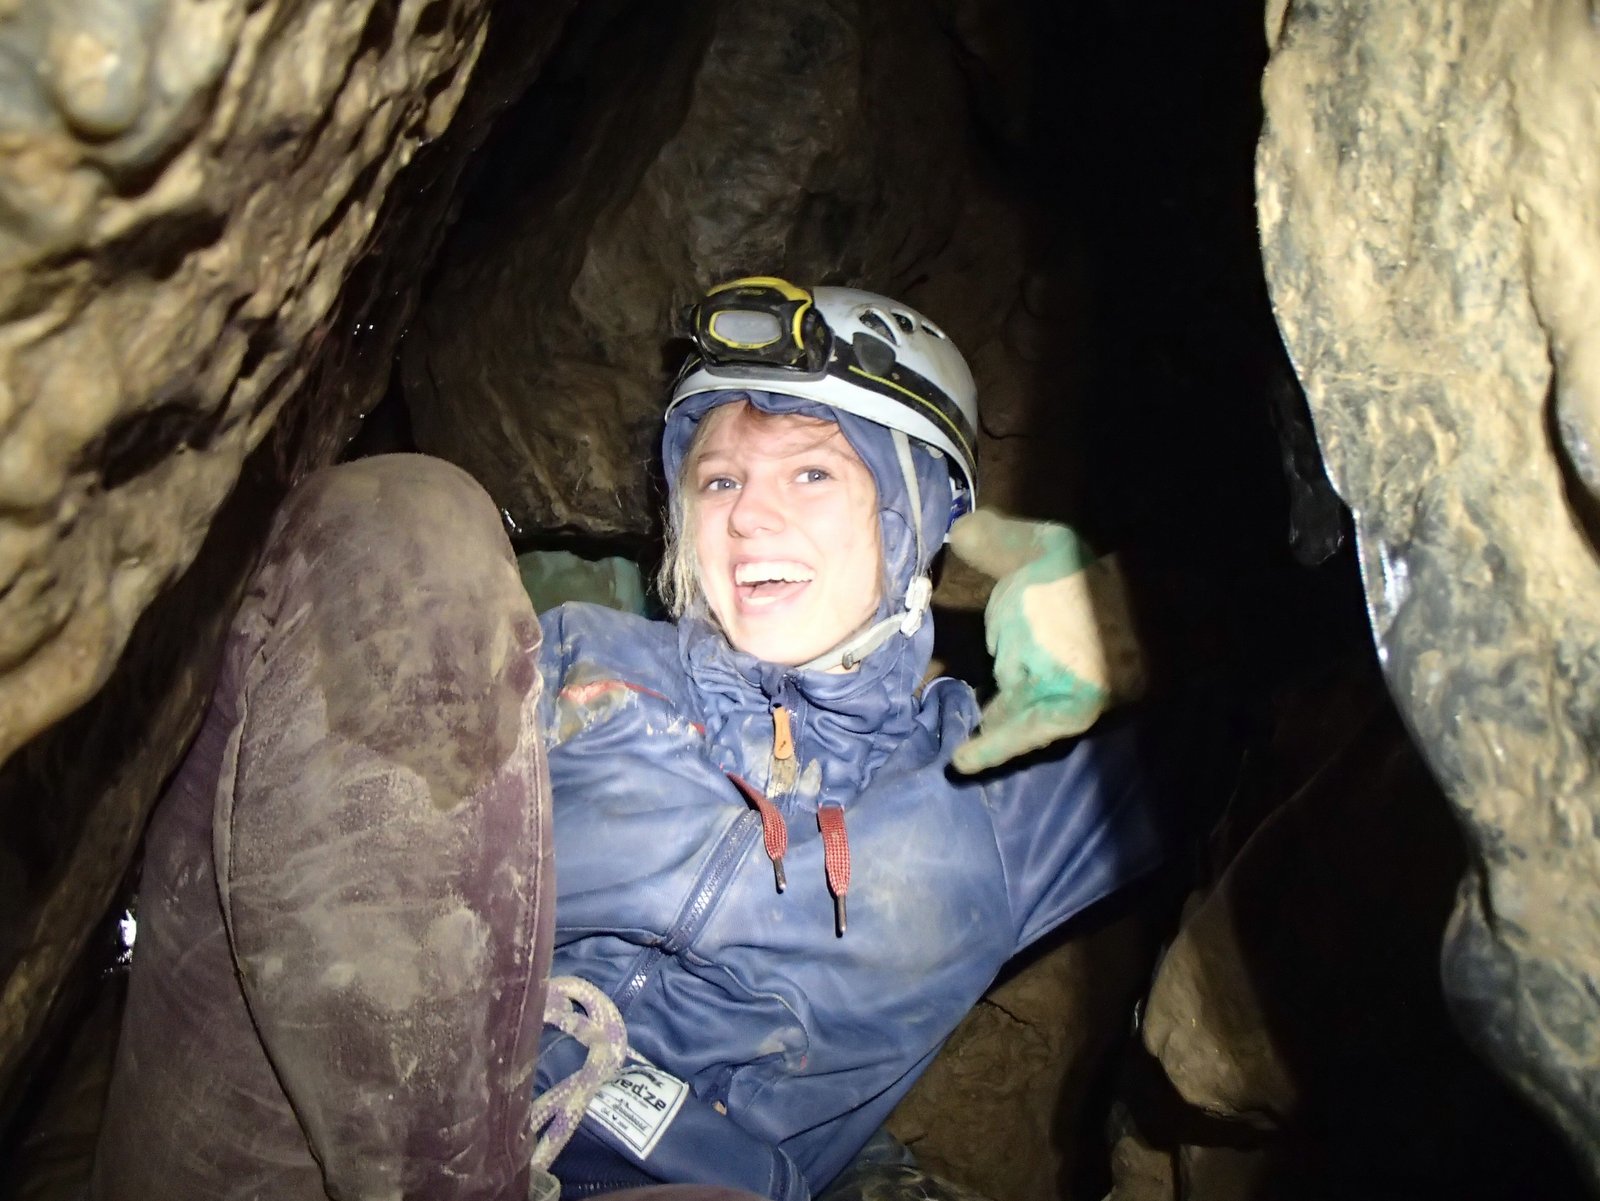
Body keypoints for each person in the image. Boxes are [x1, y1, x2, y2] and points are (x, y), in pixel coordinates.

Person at [92, 277, 1217, 1201]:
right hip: (316, 1124)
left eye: (813, 472)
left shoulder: (993, 797)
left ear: (914, 515)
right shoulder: (576, 651)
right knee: (404, 516)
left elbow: (1292, 670)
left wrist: (1130, 614)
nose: (749, 515)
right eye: (718, 477)